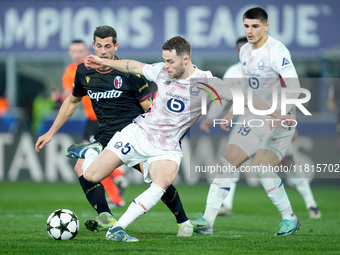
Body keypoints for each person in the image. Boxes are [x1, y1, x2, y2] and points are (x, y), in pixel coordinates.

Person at [78, 35, 293, 242]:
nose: (166, 66)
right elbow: (133, 66)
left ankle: (118, 228)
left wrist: (278, 114)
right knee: (91, 176)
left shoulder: (206, 82)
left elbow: (245, 98)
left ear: (185, 59)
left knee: (162, 181)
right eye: (165, 61)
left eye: (170, 61)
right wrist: (102, 60)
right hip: (138, 134)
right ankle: (90, 151)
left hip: (167, 147)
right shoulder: (162, 71)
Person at [35, 26, 193, 237]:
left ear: (115, 46)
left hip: (136, 134)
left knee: (157, 178)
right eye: (98, 46)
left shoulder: (129, 74)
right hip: (106, 134)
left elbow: (149, 107)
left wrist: (162, 137)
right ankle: (105, 215)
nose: (102, 51)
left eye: (107, 46)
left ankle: (183, 221)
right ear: (93, 46)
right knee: (81, 169)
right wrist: (51, 132)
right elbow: (72, 101)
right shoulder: (84, 71)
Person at [192, 7, 302, 236]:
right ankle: (207, 222)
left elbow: (293, 86)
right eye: (246, 26)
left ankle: (290, 218)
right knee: (226, 164)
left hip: (278, 119)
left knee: (261, 168)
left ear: (266, 26)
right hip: (252, 118)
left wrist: (281, 112)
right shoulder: (245, 53)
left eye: (255, 26)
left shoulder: (277, 50)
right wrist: (234, 111)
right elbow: (248, 89)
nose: (250, 31)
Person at [201, 37, 321, 219]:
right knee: (229, 162)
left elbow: (289, 91)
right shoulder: (233, 72)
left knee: (288, 164)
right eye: (242, 49)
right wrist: (215, 117)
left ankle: (310, 205)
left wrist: (287, 120)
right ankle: (223, 206)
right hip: (248, 121)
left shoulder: (269, 66)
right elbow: (229, 97)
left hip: (275, 122)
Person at [61, 39, 127, 209]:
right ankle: (118, 180)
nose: (76, 54)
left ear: (86, 51)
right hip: (90, 120)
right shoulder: (71, 71)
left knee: (91, 162)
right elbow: (71, 97)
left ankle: (117, 191)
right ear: (69, 53)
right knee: (89, 161)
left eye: (79, 51)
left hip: (102, 119)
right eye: (73, 51)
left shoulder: (97, 66)